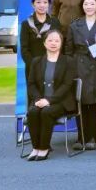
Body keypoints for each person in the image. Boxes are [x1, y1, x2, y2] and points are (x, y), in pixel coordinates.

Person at [66, 0, 96, 150]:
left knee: (95, 104)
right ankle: (81, 137)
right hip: (79, 67)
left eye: (92, 4)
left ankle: (94, 138)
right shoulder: (74, 25)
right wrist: (70, 70)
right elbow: (68, 50)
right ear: (82, 6)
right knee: (81, 103)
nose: (89, 7)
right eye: (86, 4)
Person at [24, 30, 77, 161]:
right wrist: (38, 99)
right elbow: (31, 84)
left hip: (61, 102)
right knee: (33, 112)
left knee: (46, 112)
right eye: (50, 40)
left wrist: (48, 101)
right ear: (44, 43)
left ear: (61, 43)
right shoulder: (36, 61)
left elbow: (66, 85)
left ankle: (44, 148)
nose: (53, 43)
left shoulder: (69, 61)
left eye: (57, 41)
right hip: (40, 100)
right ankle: (35, 148)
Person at [21, 0, 61, 68]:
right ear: (33, 4)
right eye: (38, 2)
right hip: (33, 66)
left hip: (52, 65)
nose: (42, 5)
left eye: (45, 2)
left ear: (49, 5)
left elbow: (60, 45)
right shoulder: (26, 24)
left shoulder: (55, 22)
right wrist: (33, 65)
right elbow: (24, 49)